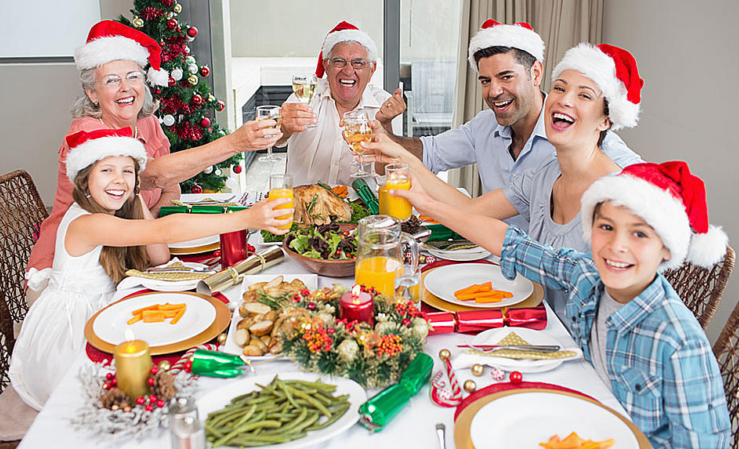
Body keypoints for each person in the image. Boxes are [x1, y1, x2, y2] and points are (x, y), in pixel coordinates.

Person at [390, 162, 731, 447]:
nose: (617, 246)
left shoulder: (679, 343)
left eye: (639, 234)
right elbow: (511, 244)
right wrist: (426, 204)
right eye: (607, 227)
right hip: (576, 419)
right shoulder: (586, 277)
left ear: (667, 248)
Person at [366, 43, 645, 328]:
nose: (563, 100)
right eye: (560, 89)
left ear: (607, 119)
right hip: (536, 318)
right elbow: (473, 210)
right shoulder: (544, 174)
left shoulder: (622, 191)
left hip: (586, 344)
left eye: (584, 95)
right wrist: (402, 158)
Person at [9, 128, 292, 410]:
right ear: (84, 182)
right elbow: (167, 228)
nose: (118, 179)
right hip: (70, 332)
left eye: (127, 172)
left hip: (103, 310)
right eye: (107, 171)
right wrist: (248, 217)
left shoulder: (113, 206)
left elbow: (159, 255)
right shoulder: (86, 223)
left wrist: (134, 196)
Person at [26, 20, 282, 289]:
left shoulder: (148, 123)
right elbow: (151, 177)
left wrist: (148, 223)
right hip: (74, 273)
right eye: (112, 80)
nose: (125, 88)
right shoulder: (88, 135)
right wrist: (234, 144)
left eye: (133, 76)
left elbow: (170, 188)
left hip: (132, 255)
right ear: (92, 93)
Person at [374, 19, 641, 229]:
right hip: (498, 258)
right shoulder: (538, 173)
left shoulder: (608, 157)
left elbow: (652, 192)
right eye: (485, 81)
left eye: (506, 77)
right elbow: (472, 211)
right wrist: (388, 140)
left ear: (535, 74)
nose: (493, 91)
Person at [276, 21, 403, 186]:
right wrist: (284, 129)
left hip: (360, 208)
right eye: (339, 62)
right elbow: (275, 138)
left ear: (371, 70)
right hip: (303, 204)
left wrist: (385, 126)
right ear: (326, 67)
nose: (348, 70)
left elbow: (389, 177)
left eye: (358, 63)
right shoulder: (306, 97)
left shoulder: (385, 106)